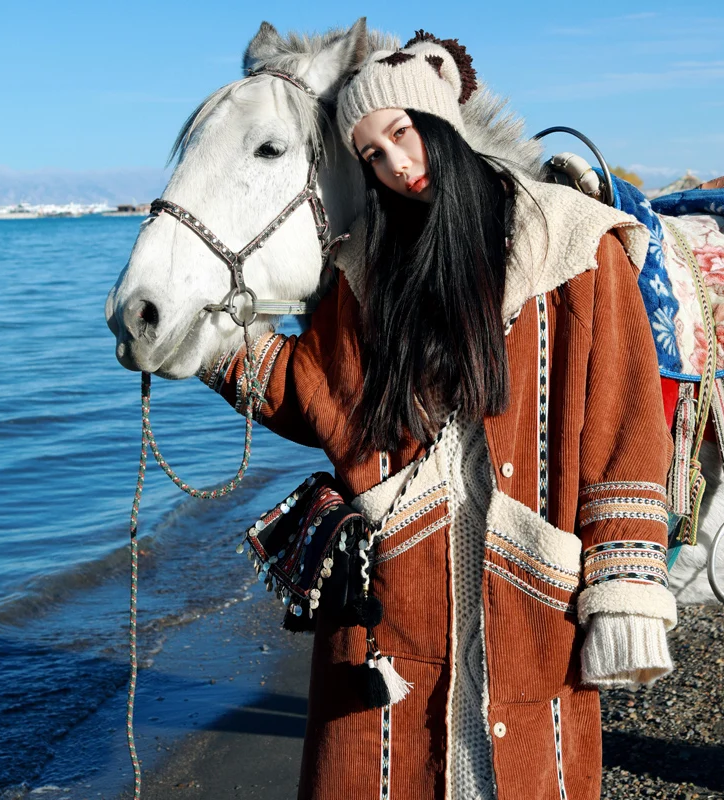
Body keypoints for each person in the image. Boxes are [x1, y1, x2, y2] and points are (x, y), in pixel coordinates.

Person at [199, 31, 676, 800]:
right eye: (370, 155)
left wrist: (623, 579)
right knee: (375, 765)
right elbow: (316, 394)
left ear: (444, 120)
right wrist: (210, 343)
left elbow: (624, 427)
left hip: (531, 588)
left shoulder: (577, 245)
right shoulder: (369, 269)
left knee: (527, 767)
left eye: (401, 131)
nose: (395, 164)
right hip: (389, 593)